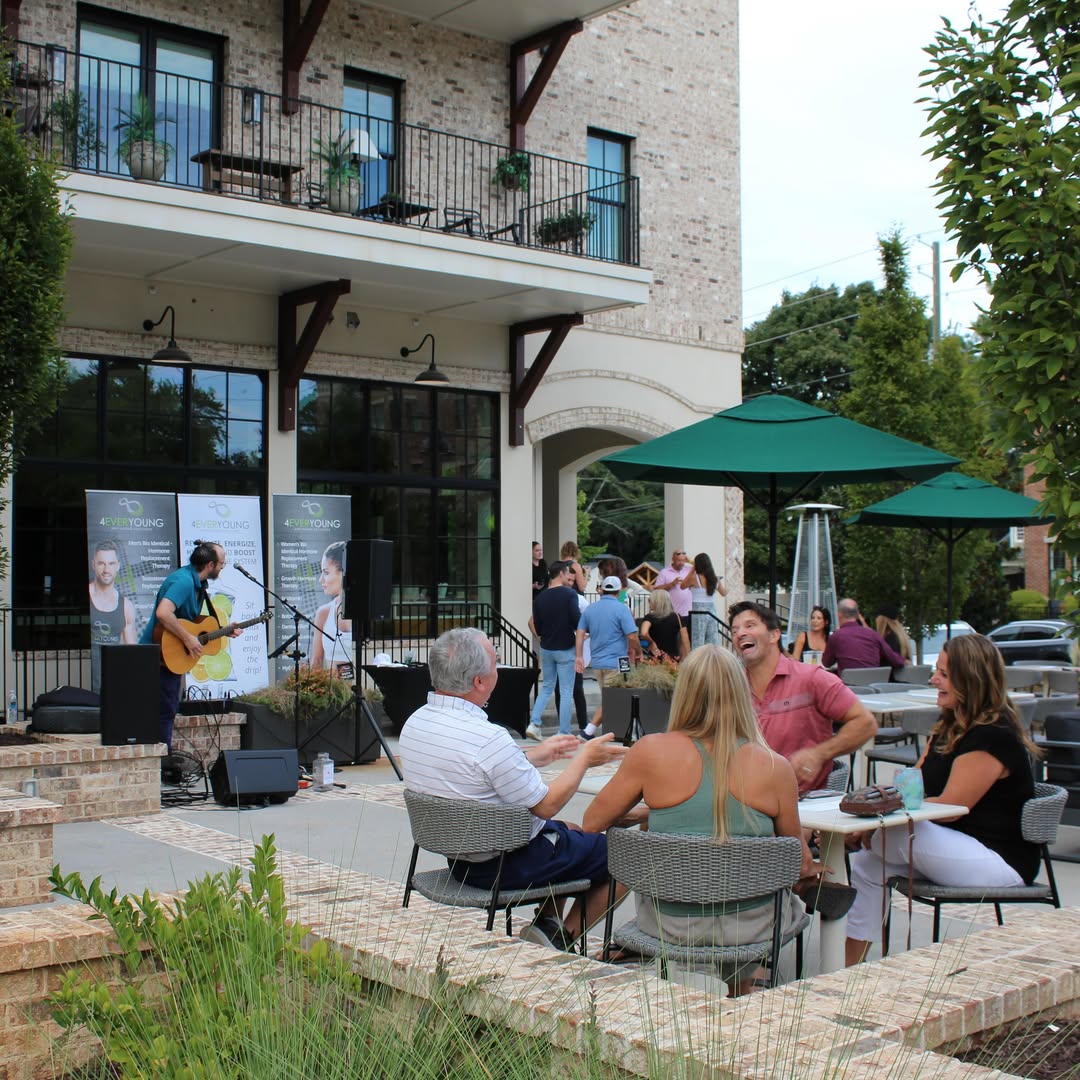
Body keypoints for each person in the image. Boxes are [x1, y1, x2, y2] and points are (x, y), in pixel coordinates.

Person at [582, 645, 818, 993]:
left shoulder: (650, 752)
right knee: (790, 901)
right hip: (749, 926)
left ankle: (699, 981)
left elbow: (591, 821)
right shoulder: (775, 767)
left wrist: (656, 812)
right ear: (741, 694)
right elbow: (797, 863)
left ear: (684, 693)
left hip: (670, 923)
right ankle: (739, 984)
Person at [397, 627, 629, 951]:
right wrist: (585, 758)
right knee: (624, 856)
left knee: (569, 833)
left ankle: (546, 924)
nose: (498, 671)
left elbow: (472, 770)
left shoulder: (416, 723)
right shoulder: (488, 738)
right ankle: (562, 935)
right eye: (496, 665)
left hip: (459, 858)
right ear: (480, 682)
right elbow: (546, 805)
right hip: (501, 866)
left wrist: (532, 757)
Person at [846, 633, 1042, 965]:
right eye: (937, 671)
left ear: (971, 679)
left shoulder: (993, 734)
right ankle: (848, 969)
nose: (934, 679)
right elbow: (913, 787)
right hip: (953, 846)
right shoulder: (949, 727)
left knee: (897, 834)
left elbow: (951, 807)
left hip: (999, 859)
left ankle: (846, 853)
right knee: (866, 864)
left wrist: (878, 825)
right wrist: (882, 817)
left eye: (944, 674)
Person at [728, 601, 877, 792]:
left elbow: (866, 724)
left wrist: (819, 754)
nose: (740, 633)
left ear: (774, 635)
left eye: (750, 625)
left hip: (803, 804)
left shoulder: (812, 678)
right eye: (734, 631)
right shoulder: (731, 688)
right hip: (747, 801)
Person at [139, 540, 241, 754]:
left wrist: (223, 630)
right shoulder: (184, 582)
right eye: (222, 563)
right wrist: (187, 638)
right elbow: (163, 612)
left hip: (170, 655)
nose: (223, 567)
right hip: (159, 653)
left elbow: (193, 623)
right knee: (164, 710)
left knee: (167, 708)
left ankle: (162, 757)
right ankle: (161, 760)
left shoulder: (199, 585)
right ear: (210, 564)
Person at [577, 575, 643, 738]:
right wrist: (640, 652)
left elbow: (580, 633)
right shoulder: (622, 609)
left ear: (602, 590)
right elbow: (632, 637)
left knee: (611, 698)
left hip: (597, 663)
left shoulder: (591, 609)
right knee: (612, 699)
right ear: (619, 590)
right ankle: (588, 731)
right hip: (617, 662)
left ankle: (614, 731)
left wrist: (579, 656)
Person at [526, 561, 581, 740]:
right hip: (565, 646)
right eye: (568, 574)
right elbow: (576, 618)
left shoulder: (540, 597)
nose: (569, 577)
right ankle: (564, 731)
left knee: (547, 686)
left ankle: (534, 723)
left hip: (547, 647)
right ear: (561, 574)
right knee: (566, 690)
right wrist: (581, 632)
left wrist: (542, 635)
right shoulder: (570, 594)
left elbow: (538, 625)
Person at [88, 539, 137, 693]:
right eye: (101, 563)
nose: (106, 569)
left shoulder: (126, 606)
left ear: (118, 566)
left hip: (114, 679)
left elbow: (132, 651)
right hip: (86, 677)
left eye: (111, 564)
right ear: (93, 565)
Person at [822, 598, 907, 676]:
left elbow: (826, 663)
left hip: (849, 688)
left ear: (839, 614)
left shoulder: (836, 636)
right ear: (857, 615)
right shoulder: (873, 635)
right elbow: (896, 660)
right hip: (873, 687)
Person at [309, 540, 353, 674]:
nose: (321, 579)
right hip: (333, 691)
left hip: (363, 689)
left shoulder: (364, 612)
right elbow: (316, 661)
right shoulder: (323, 612)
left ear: (343, 572)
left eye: (326, 573)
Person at [679, 551, 727, 649]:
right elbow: (724, 593)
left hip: (698, 611)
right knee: (712, 639)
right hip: (711, 610)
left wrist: (692, 570)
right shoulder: (715, 579)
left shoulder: (694, 578)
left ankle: (698, 662)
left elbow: (682, 586)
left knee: (698, 639)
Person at [639, 588, 688, 661]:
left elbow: (643, 633)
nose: (649, 602)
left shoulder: (650, 617)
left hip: (655, 656)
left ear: (657, 602)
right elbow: (685, 641)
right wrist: (686, 658)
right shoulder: (677, 617)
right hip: (673, 658)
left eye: (650, 600)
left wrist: (651, 642)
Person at [653, 548, 693, 628]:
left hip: (688, 612)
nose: (681, 563)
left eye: (683, 560)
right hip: (671, 613)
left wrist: (690, 561)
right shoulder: (664, 572)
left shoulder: (688, 570)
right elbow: (657, 589)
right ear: (673, 559)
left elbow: (702, 566)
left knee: (687, 638)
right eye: (679, 560)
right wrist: (671, 584)